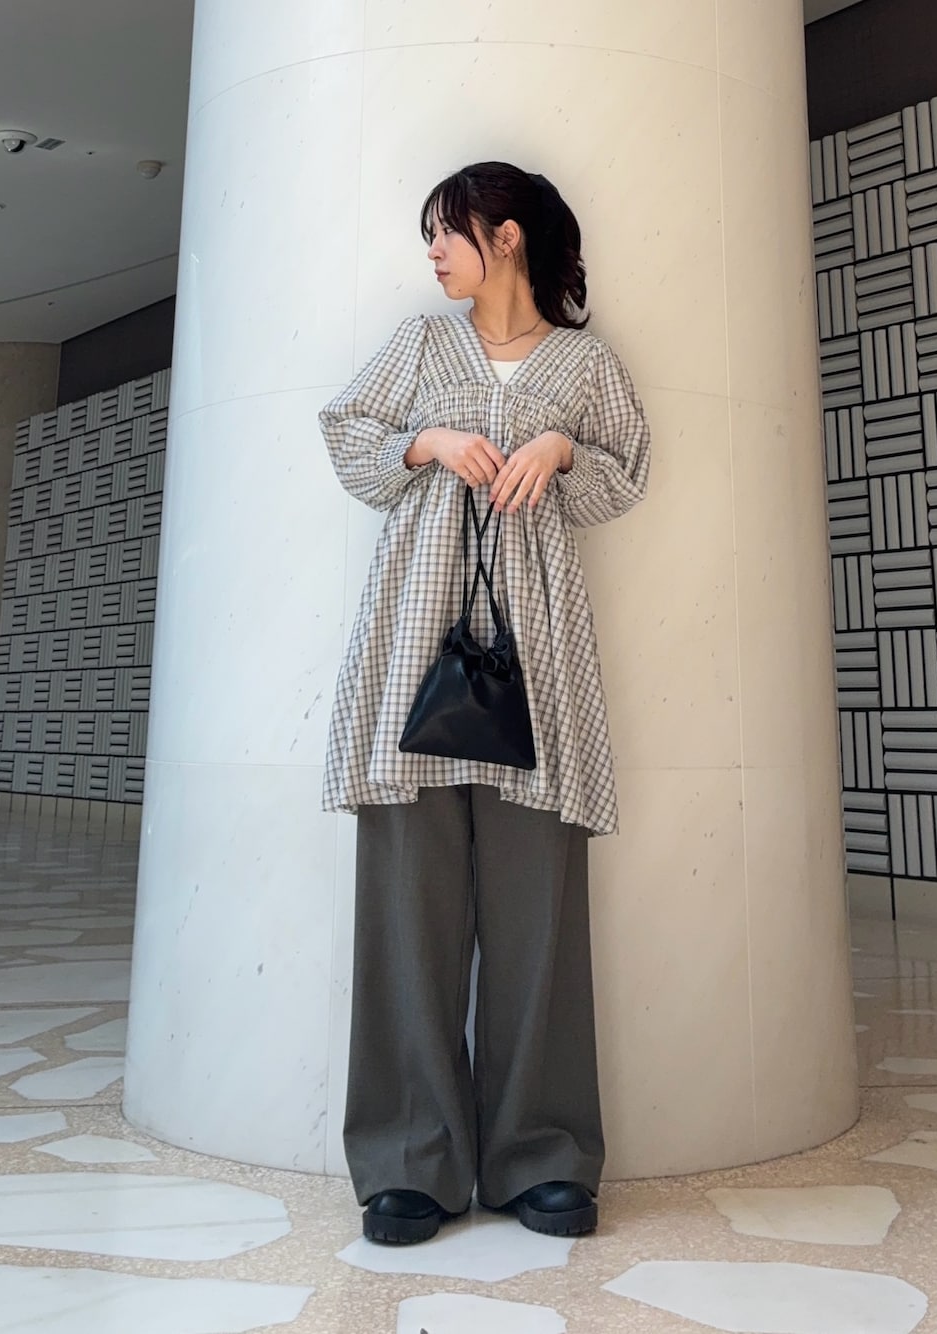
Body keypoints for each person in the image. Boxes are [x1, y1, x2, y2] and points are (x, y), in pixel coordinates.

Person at [319, 161, 650, 1246]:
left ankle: (541, 1154)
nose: (432, 253)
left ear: (505, 237)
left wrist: (560, 445)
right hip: (414, 646)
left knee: (537, 918)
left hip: (537, 661)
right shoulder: (422, 344)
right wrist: (427, 441)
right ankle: (410, 1158)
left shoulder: (584, 363)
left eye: (446, 232)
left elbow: (627, 470)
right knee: (407, 915)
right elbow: (347, 435)